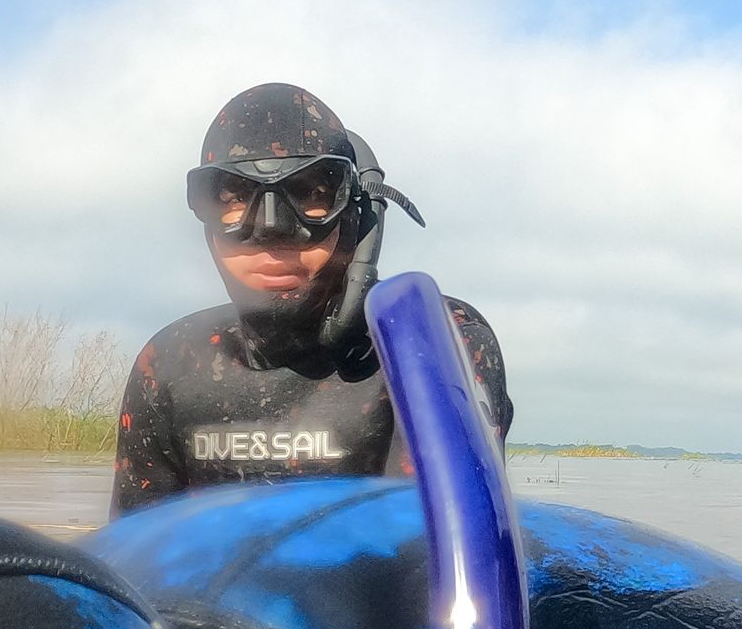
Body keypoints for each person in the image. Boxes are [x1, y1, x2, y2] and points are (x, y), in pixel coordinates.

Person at [110, 83, 512, 514]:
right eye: (233, 197)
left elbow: (438, 561)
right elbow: (130, 566)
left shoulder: (431, 345)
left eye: (311, 194)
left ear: (358, 216)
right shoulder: (170, 365)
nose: (270, 230)